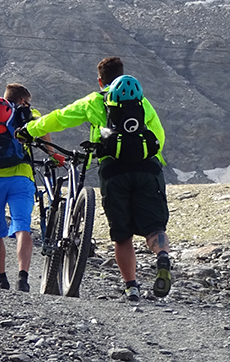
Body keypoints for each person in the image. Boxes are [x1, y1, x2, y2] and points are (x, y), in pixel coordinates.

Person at [24, 57, 172, 301]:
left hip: (114, 172)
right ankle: (162, 257)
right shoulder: (142, 103)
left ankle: (132, 287)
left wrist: (29, 130)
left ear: (100, 81)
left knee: (122, 236)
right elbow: (159, 137)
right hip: (149, 170)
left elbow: (60, 118)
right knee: (155, 228)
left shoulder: (94, 101)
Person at [0, 83, 61, 291]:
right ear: (23, 100)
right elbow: (43, 130)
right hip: (21, 175)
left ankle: (1, 278)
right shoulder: (27, 113)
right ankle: (23, 278)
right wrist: (52, 154)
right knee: (22, 226)